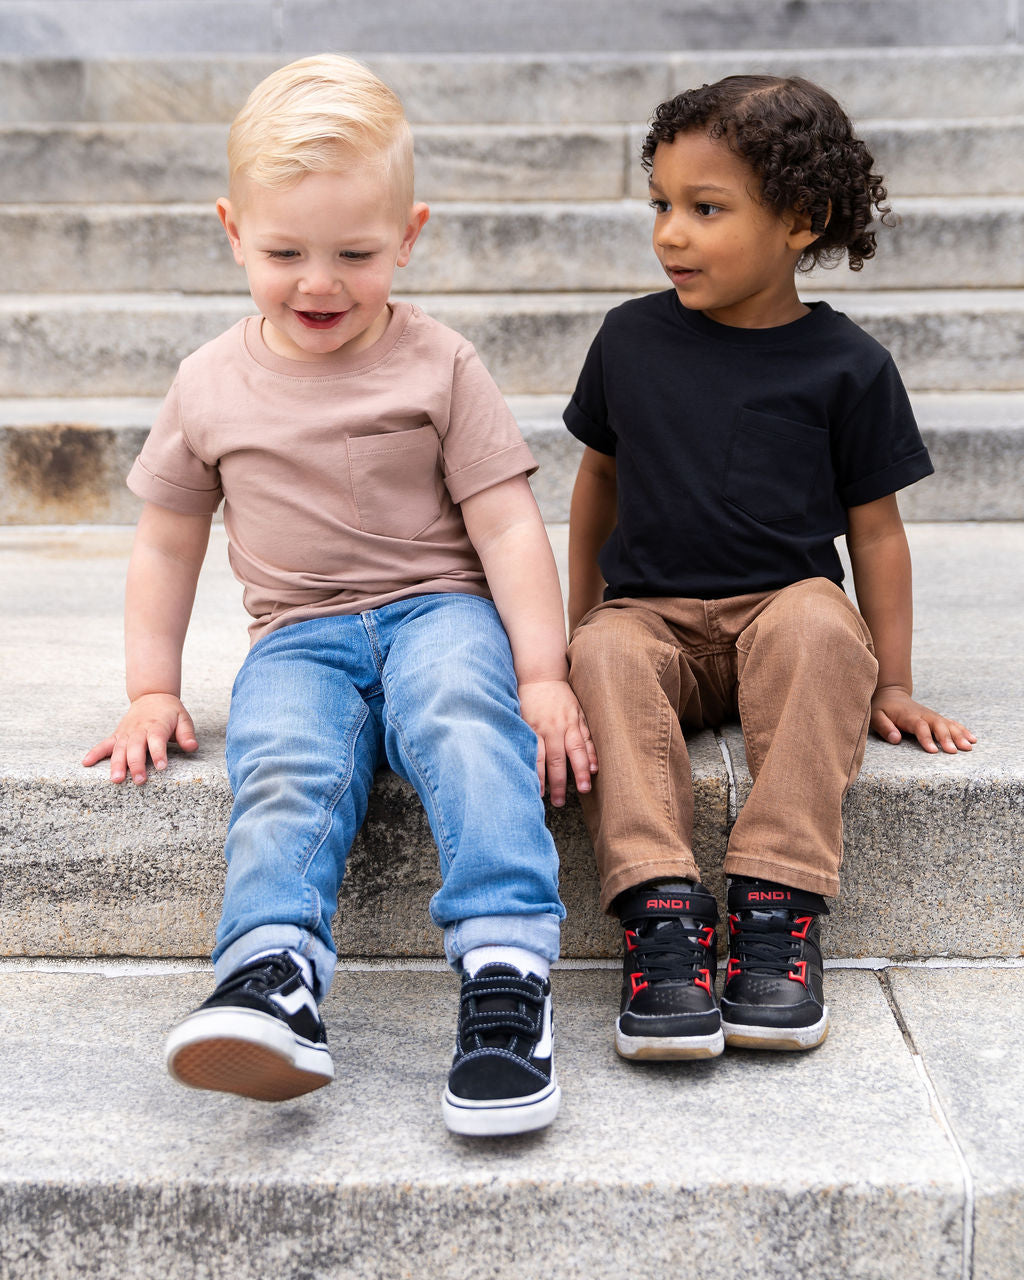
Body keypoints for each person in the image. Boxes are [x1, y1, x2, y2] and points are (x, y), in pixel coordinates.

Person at [83, 54, 596, 1137]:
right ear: (232, 229)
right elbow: (168, 542)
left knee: (466, 718)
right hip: (297, 636)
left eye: (355, 255)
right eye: (284, 252)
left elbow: (505, 523)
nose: (318, 282)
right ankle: (271, 974)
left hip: (437, 608)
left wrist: (541, 673)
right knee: (281, 764)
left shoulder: (441, 363)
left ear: (409, 236)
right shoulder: (208, 382)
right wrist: (149, 687)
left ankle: (505, 976)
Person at [564, 75, 975, 1063]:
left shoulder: (848, 364)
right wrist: (567, 635)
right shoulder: (629, 339)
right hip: (648, 616)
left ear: (801, 220)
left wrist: (898, 680)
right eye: (660, 204)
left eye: (706, 210)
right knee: (607, 656)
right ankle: (661, 912)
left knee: (821, 626)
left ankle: (776, 901)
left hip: (775, 613)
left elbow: (874, 535)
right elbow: (595, 490)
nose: (671, 233)